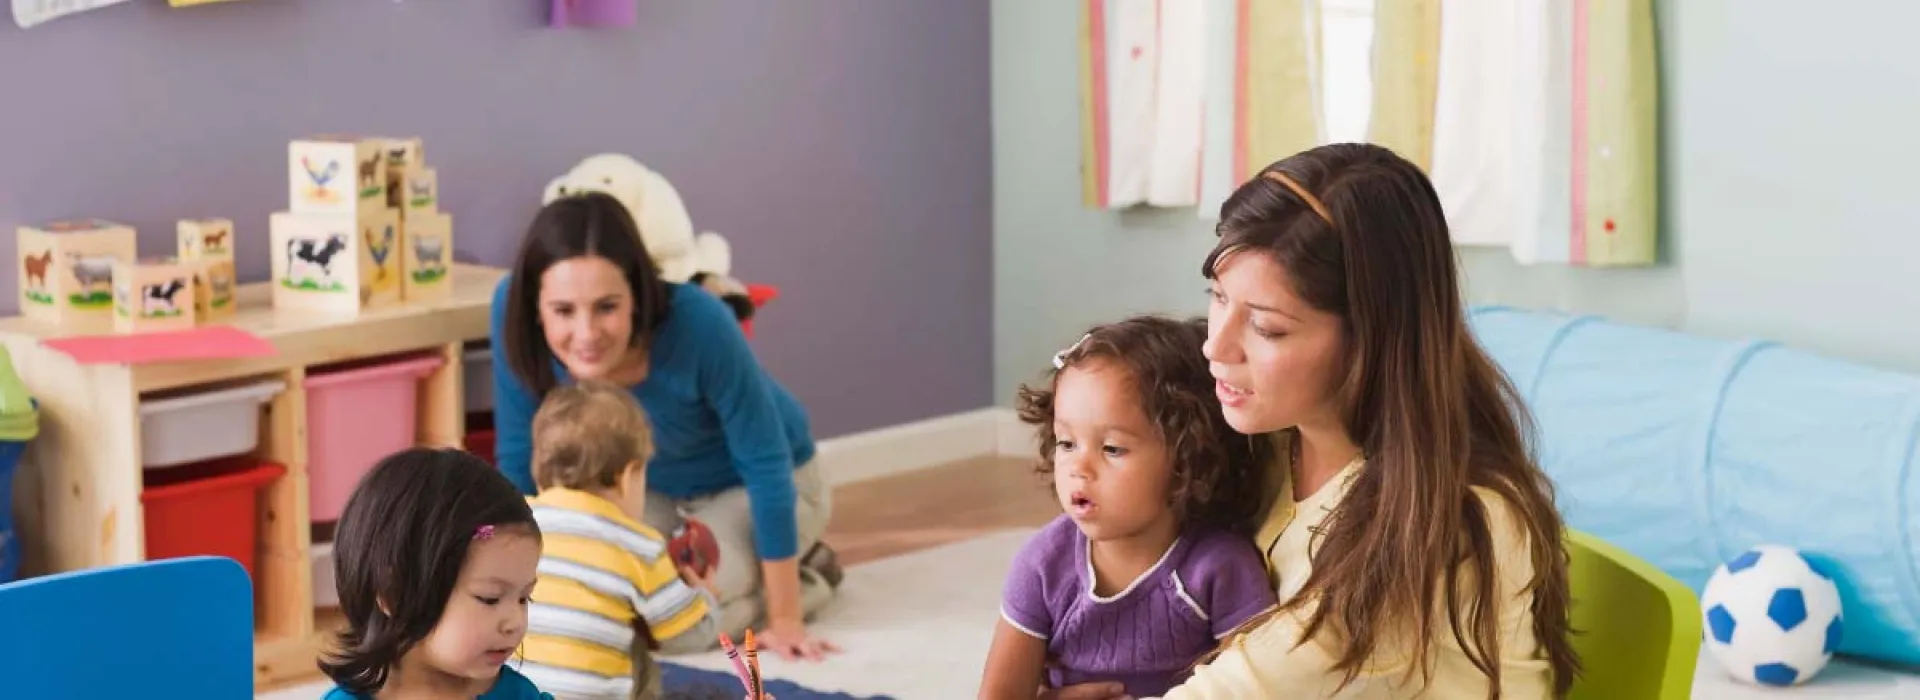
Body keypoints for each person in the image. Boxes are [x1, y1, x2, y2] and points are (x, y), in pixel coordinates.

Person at [1052, 143, 1582, 699]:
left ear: (1370, 341)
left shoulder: (1438, 526)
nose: (1216, 345)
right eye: (1218, 298)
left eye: (1268, 328)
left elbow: (1238, 690)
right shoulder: (1275, 441)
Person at [490, 191, 840, 661]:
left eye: (607, 307)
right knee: (598, 599)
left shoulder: (699, 321)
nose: (587, 333)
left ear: (638, 293)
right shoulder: (509, 312)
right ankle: (775, 571)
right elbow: (517, 461)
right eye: (564, 311)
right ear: (536, 306)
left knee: (672, 620)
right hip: (641, 492)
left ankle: (809, 580)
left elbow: (767, 464)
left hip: (762, 487)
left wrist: (785, 620)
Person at [979, 315, 1280, 700]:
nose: (1079, 468)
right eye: (1067, 443)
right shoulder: (1042, 565)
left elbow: (1262, 687)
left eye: (1112, 449)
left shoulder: (1220, 567)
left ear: (1188, 459)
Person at [519, 380, 726, 699]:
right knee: (636, 648)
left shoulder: (514, 524)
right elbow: (689, 636)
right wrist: (705, 598)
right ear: (628, 476)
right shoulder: (637, 544)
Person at [317, 448, 552, 700]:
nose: (516, 622)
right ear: (394, 594)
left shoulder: (518, 695)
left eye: (524, 598)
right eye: (490, 598)